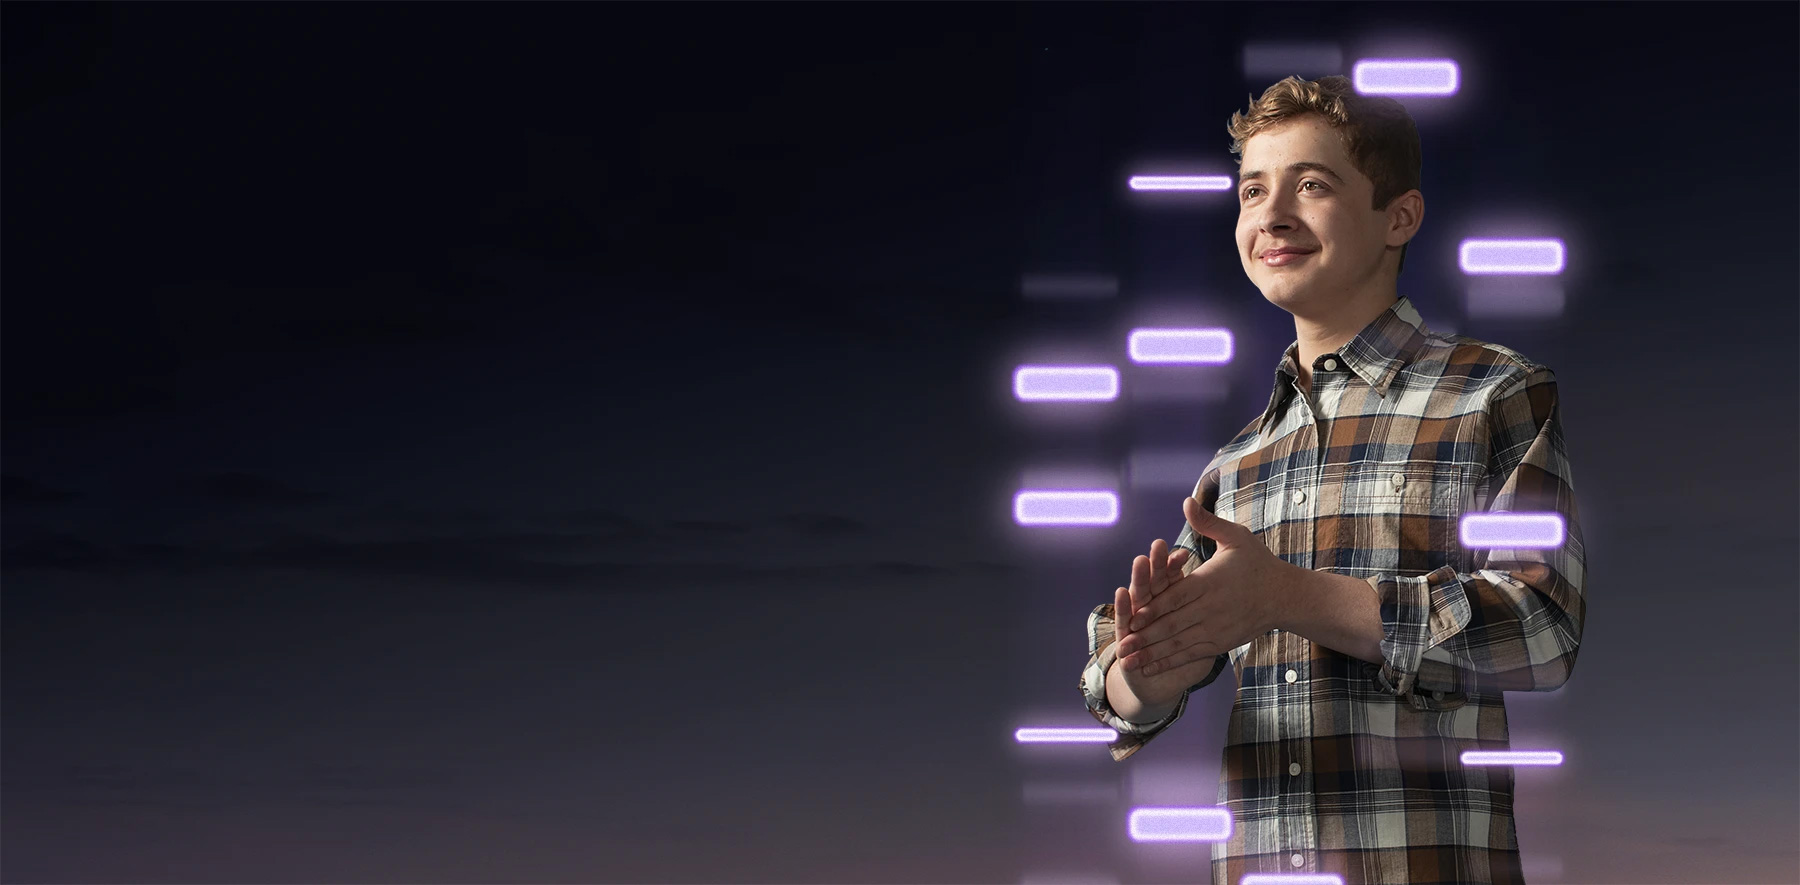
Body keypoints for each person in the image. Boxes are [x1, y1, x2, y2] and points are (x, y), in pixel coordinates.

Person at [1078, 74, 1586, 885]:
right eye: (1252, 190)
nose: (1272, 215)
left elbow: (1542, 629)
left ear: (1400, 216)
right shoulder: (1235, 463)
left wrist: (1286, 595)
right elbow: (1116, 683)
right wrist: (1146, 668)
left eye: (1311, 185)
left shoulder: (1492, 392)